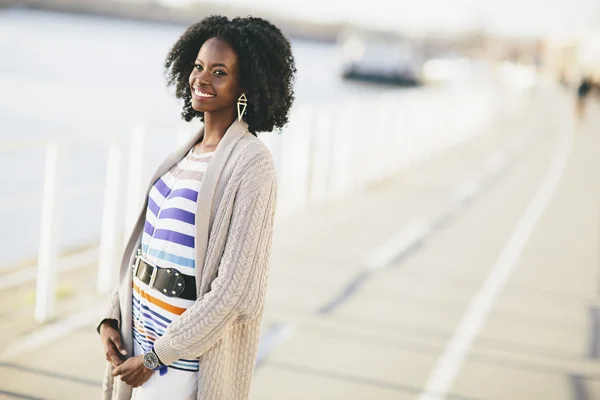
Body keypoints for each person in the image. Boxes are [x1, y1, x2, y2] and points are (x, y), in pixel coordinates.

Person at [97, 15, 296, 400]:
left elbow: (235, 292)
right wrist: (111, 317)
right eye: (199, 66)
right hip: (136, 344)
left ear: (246, 84)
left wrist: (159, 357)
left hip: (181, 365)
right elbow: (145, 248)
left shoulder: (252, 164)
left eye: (219, 72)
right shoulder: (183, 155)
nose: (202, 79)